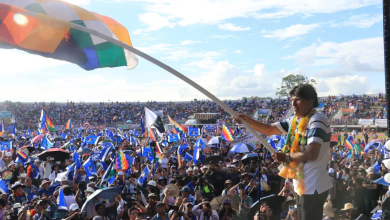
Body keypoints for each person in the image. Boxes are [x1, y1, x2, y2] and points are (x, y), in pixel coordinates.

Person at [234, 84, 332, 220]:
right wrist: (247, 120)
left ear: (310, 101)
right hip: (301, 184)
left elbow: (311, 154)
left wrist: (286, 157)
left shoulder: (317, 121)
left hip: (313, 185)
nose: (293, 104)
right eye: (291, 100)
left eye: (297, 100)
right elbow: (269, 129)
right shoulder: (294, 121)